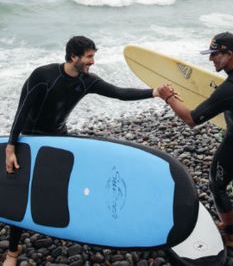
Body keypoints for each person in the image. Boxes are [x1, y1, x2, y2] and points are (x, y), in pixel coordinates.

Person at [3, 36, 161, 266]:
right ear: (73, 56)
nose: (93, 61)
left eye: (93, 56)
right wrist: (11, 146)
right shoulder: (43, 76)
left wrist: (154, 92)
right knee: (23, 191)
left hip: (59, 137)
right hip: (32, 139)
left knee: (68, 181)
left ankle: (67, 222)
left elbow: (119, 92)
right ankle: (13, 252)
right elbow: (22, 109)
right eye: (89, 56)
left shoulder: (87, 81)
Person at [156, 32, 233, 249]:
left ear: (229, 53)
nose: (211, 59)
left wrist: (168, 97)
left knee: (217, 187)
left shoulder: (231, 88)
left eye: (215, 54)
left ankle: (231, 237)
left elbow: (192, 119)